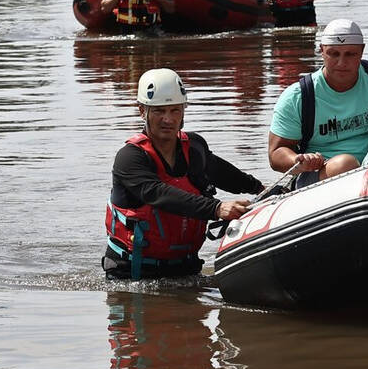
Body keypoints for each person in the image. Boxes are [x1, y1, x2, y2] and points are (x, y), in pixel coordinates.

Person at [104, 68, 264, 279]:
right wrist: (217, 208)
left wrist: (264, 190)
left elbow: (228, 176)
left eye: (175, 110)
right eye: (159, 111)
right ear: (143, 111)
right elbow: (158, 193)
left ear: (183, 111)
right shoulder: (130, 158)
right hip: (133, 275)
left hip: (186, 270)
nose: (168, 119)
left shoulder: (195, 148)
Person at [268, 19, 368, 188]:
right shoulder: (298, 97)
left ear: (361, 51)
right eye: (334, 54)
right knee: (345, 164)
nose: (341, 63)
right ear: (321, 51)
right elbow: (276, 154)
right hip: (324, 175)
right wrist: (299, 161)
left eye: (350, 54)